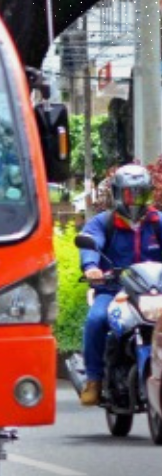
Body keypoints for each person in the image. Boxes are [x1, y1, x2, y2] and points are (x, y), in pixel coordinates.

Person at [78, 164, 162, 406]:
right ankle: (94, 379)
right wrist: (91, 267)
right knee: (96, 320)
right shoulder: (104, 223)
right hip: (114, 291)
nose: (135, 201)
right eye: (129, 194)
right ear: (117, 194)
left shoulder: (157, 222)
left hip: (152, 293)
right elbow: (90, 244)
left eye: (141, 194)